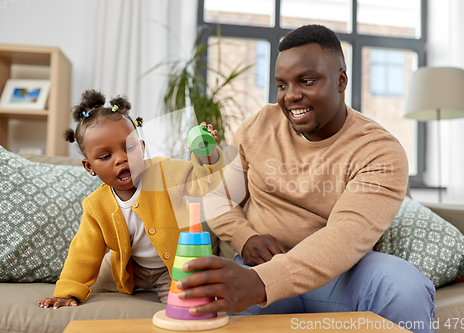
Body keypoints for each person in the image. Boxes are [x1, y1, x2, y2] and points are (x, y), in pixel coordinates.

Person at [174, 25, 436, 332]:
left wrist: (261, 282)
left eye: (307, 81)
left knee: (404, 286)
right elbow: (220, 196)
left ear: (341, 80)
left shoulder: (379, 150)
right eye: (281, 85)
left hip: (339, 275)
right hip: (260, 266)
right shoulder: (257, 127)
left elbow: (347, 234)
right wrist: (246, 240)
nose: (291, 96)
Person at [37, 89, 224, 309]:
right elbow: (83, 253)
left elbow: (204, 183)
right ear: (89, 167)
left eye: (130, 147)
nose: (121, 159)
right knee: (90, 286)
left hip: (170, 268)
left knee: (185, 307)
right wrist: (68, 293)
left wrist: (207, 157)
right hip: (126, 268)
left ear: (142, 148)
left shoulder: (165, 172)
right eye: (105, 156)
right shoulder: (95, 206)